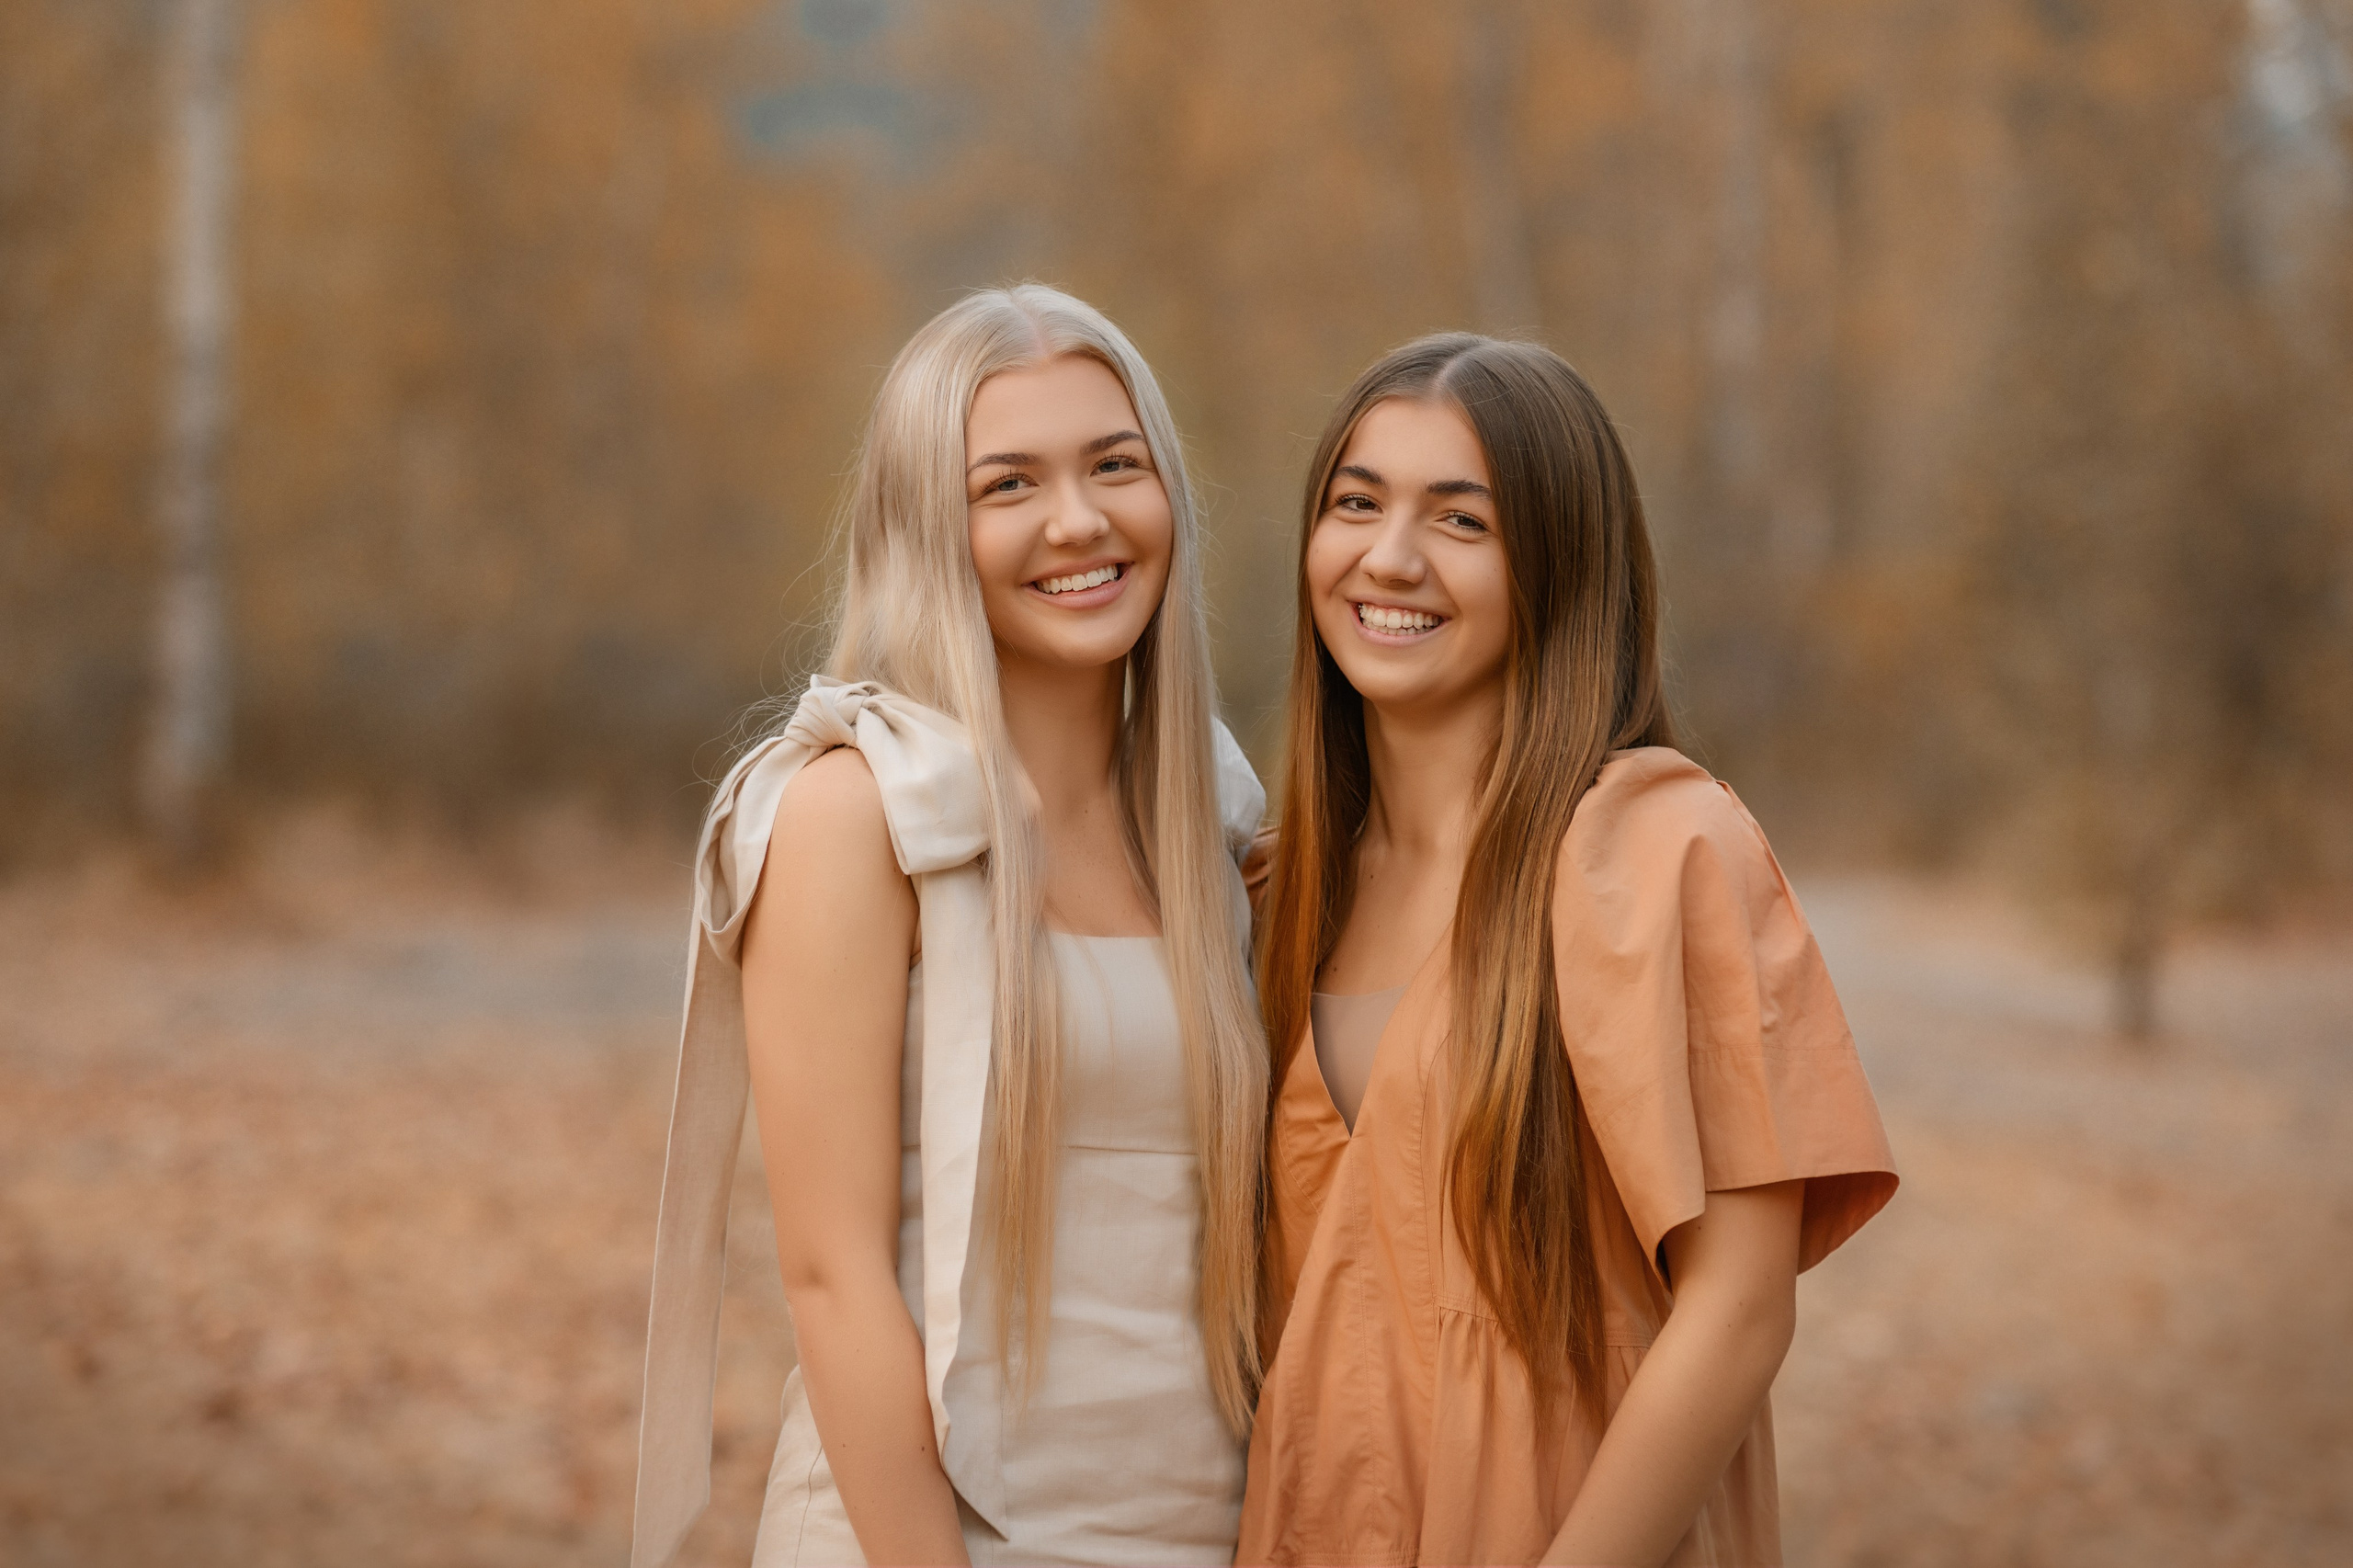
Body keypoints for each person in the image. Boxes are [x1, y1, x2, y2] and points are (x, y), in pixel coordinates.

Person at [631, 285, 1267, 1568]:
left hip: (1196, 1530)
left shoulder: (1215, 815)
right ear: (928, 526)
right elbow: (832, 1275)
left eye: (1113, 465)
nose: (1079, 520)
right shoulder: (851, 812)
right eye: (1008, 485)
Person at [1239, 334, 1899, 1566]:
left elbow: (1742, 1305)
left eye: (1462, 520)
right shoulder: (1278, 894)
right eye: (1357, 502)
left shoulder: (1660, 852)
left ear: (1561, 565)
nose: (1390, 557)